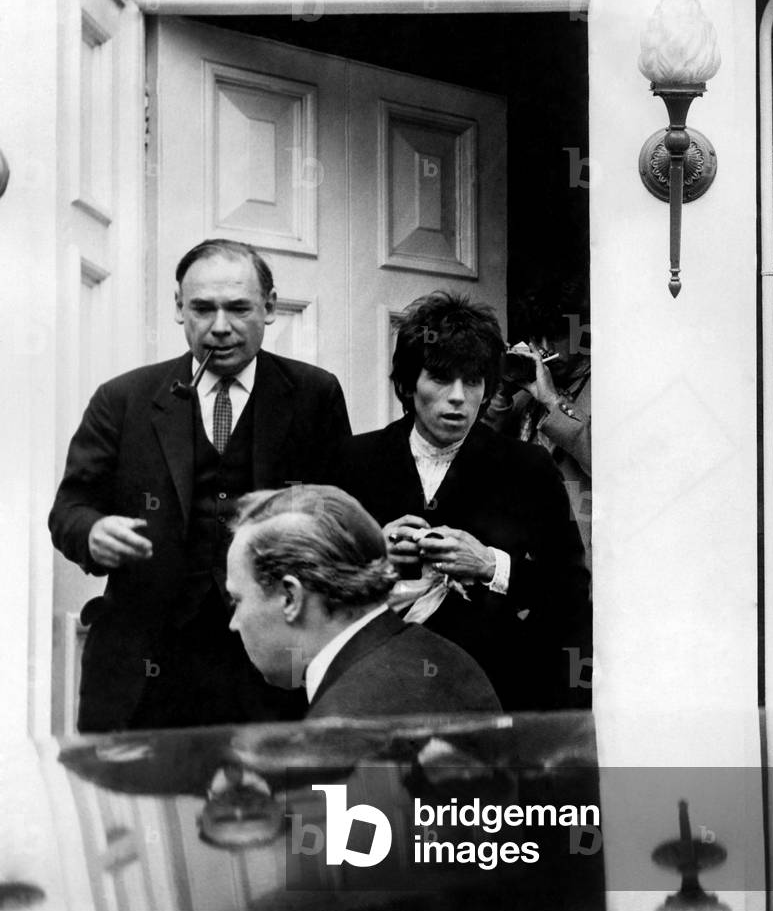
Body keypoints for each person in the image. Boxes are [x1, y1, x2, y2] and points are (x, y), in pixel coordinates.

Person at [49, 238, 351, 732]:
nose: (220, 328)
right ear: (178, 308)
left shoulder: (315, 395)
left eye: (238, 308)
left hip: (271, 669)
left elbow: (339, 517)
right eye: (202, 309)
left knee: (274, 807)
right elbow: (70, 508)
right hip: (145, 671)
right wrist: (92, 531)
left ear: (270, 307)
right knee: (135, 808)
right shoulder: (123, 398)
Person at [333, 292, 590, 712]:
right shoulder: (353, 462)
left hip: (488, 696)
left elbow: (570, 592)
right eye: (440, 378)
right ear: (407, 383)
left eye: (472, 381)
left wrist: (491, 565)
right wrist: (373, 554)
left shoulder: (526, 467)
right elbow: (313, 587)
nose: (458, 397)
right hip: (376, 695)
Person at [227, 485, 502, 718]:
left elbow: (352, 780)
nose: (234, 624)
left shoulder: (341, 725)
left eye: (237, 600)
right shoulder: (446, 658)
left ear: (291, 597)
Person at [483, 280, 592, 570]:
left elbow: (611, 466)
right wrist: (501, 393)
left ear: (579, 332)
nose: (543, 348)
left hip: (580, 562)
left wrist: (553, 402)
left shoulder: (604, 386)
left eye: (555, 336)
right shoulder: (521, 397)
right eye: (536, 337)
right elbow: (475, 453)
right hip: (521, 563)